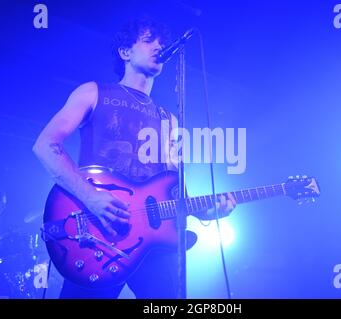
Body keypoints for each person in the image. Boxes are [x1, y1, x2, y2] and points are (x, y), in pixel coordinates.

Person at [32, 18, 236, 299]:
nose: (159, 46)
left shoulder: (169, 119)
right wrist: (91, 197)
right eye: (149, 40)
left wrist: (204, 211)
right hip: (96, 235)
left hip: (152, 244)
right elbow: (45, 145)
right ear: (125, 52)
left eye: (161, 43)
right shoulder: (93, 92)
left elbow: (172, 187)